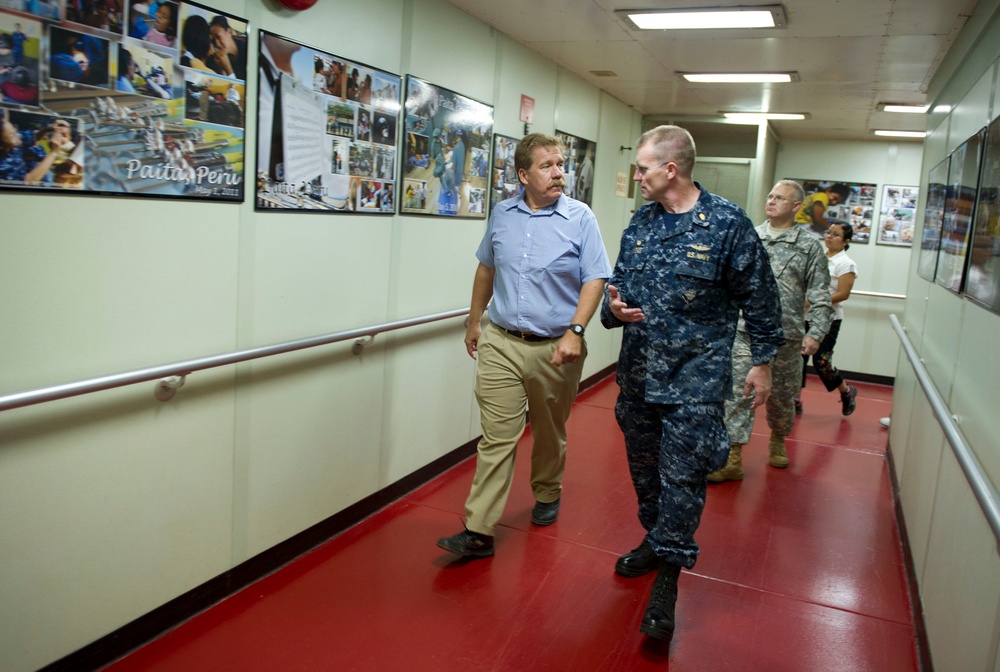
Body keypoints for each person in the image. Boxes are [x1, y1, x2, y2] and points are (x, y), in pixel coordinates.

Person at [600, 125, 784, 642]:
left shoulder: (727, 225)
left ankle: (667, 581)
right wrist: (613, 310)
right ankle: (656, 540)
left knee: (682, 479)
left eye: (642, 168)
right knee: (645, 474)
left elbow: (761, 298)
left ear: (670, 169)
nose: (636, 176)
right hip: (638, 378)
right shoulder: (640, 223)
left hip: (695, 382)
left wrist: (762, 361)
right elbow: (619, 290)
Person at [436, 133, 611, 559]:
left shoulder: (580, 218)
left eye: (561, 164)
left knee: (550, 430)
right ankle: (479, 530)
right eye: (547, 166)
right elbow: (486, 270)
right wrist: (475, 321)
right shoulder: (502, 214)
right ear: (523, 175)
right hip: (501, 341)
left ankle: (548, 489)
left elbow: (596, 278)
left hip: (556, 347)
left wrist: (576, 331)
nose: (559, 173)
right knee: (498, 436)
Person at [708, 180, 833, 482]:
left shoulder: (809, 247)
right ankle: (732, 456)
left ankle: (778, 437)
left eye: (780, 198)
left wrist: (816, 332)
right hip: (745, 331)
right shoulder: (750, 237)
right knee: (739, 392)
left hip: (785, 335)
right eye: (770, 196)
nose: (772, 201)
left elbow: (820, 293)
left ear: (795, 206)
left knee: (781, 398)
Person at [800, 222, 859, 415]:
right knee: (798, 359)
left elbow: (843, 293)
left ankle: (846, 391)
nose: (829, 237)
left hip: (828, 319)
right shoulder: (819, 258)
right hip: (805, 316)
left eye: (835, 235)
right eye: (828, 233)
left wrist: (815, 301)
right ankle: (794, 399)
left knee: (821, 362)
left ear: (845, 241)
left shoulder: (846, 264)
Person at [208, 14, 247, 80]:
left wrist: (227, 68)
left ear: (229, 31)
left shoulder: (247, 51)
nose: (217, 44)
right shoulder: (216, 58)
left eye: (218, 37)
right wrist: (221, 69)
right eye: (214, 39)